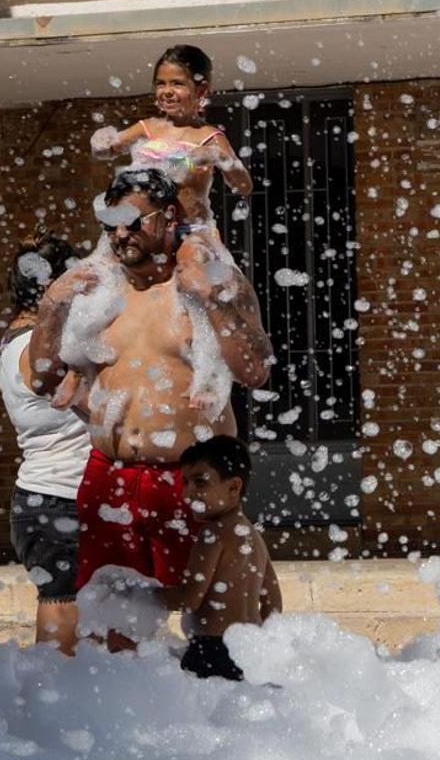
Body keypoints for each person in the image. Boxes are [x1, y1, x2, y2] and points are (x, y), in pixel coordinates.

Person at [29, 168, 272, 651]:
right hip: (110, 475)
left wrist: (210, 297)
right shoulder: (97, 292)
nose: (121, 234)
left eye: (134, 221)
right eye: (111, 223)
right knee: (108, 624)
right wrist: (52, 306)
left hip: (190, 477)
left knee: (216, 621)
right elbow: (42, 380)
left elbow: (255, 371)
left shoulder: (208, 278)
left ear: (169, 217)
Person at [0, 233, 89, 654]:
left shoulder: (15, 340)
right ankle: (51, 690)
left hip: (46, 499)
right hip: (58, 498)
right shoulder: (35, 348)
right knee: (63, 612)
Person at [91, 44, 253, 227]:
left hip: (191, 231)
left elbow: (244, 187)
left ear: (201, 90)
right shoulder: (147, 128)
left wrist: (219, 156)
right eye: (161, 83)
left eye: (177, 83)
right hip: (148, 231)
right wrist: (101, 141)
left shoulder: (209, 137)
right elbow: (106, 151)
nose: (167, 91)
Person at [168, 435, 281, 681]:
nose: (188, 492)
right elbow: (272, 600)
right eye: (185, 482)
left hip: (211, 651)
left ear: (233, 487)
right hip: (247, 652)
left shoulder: (213, 533)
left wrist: (140, 594)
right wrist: (265, 645)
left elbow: (189, 599)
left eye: (200, 482)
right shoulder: (251, 534)